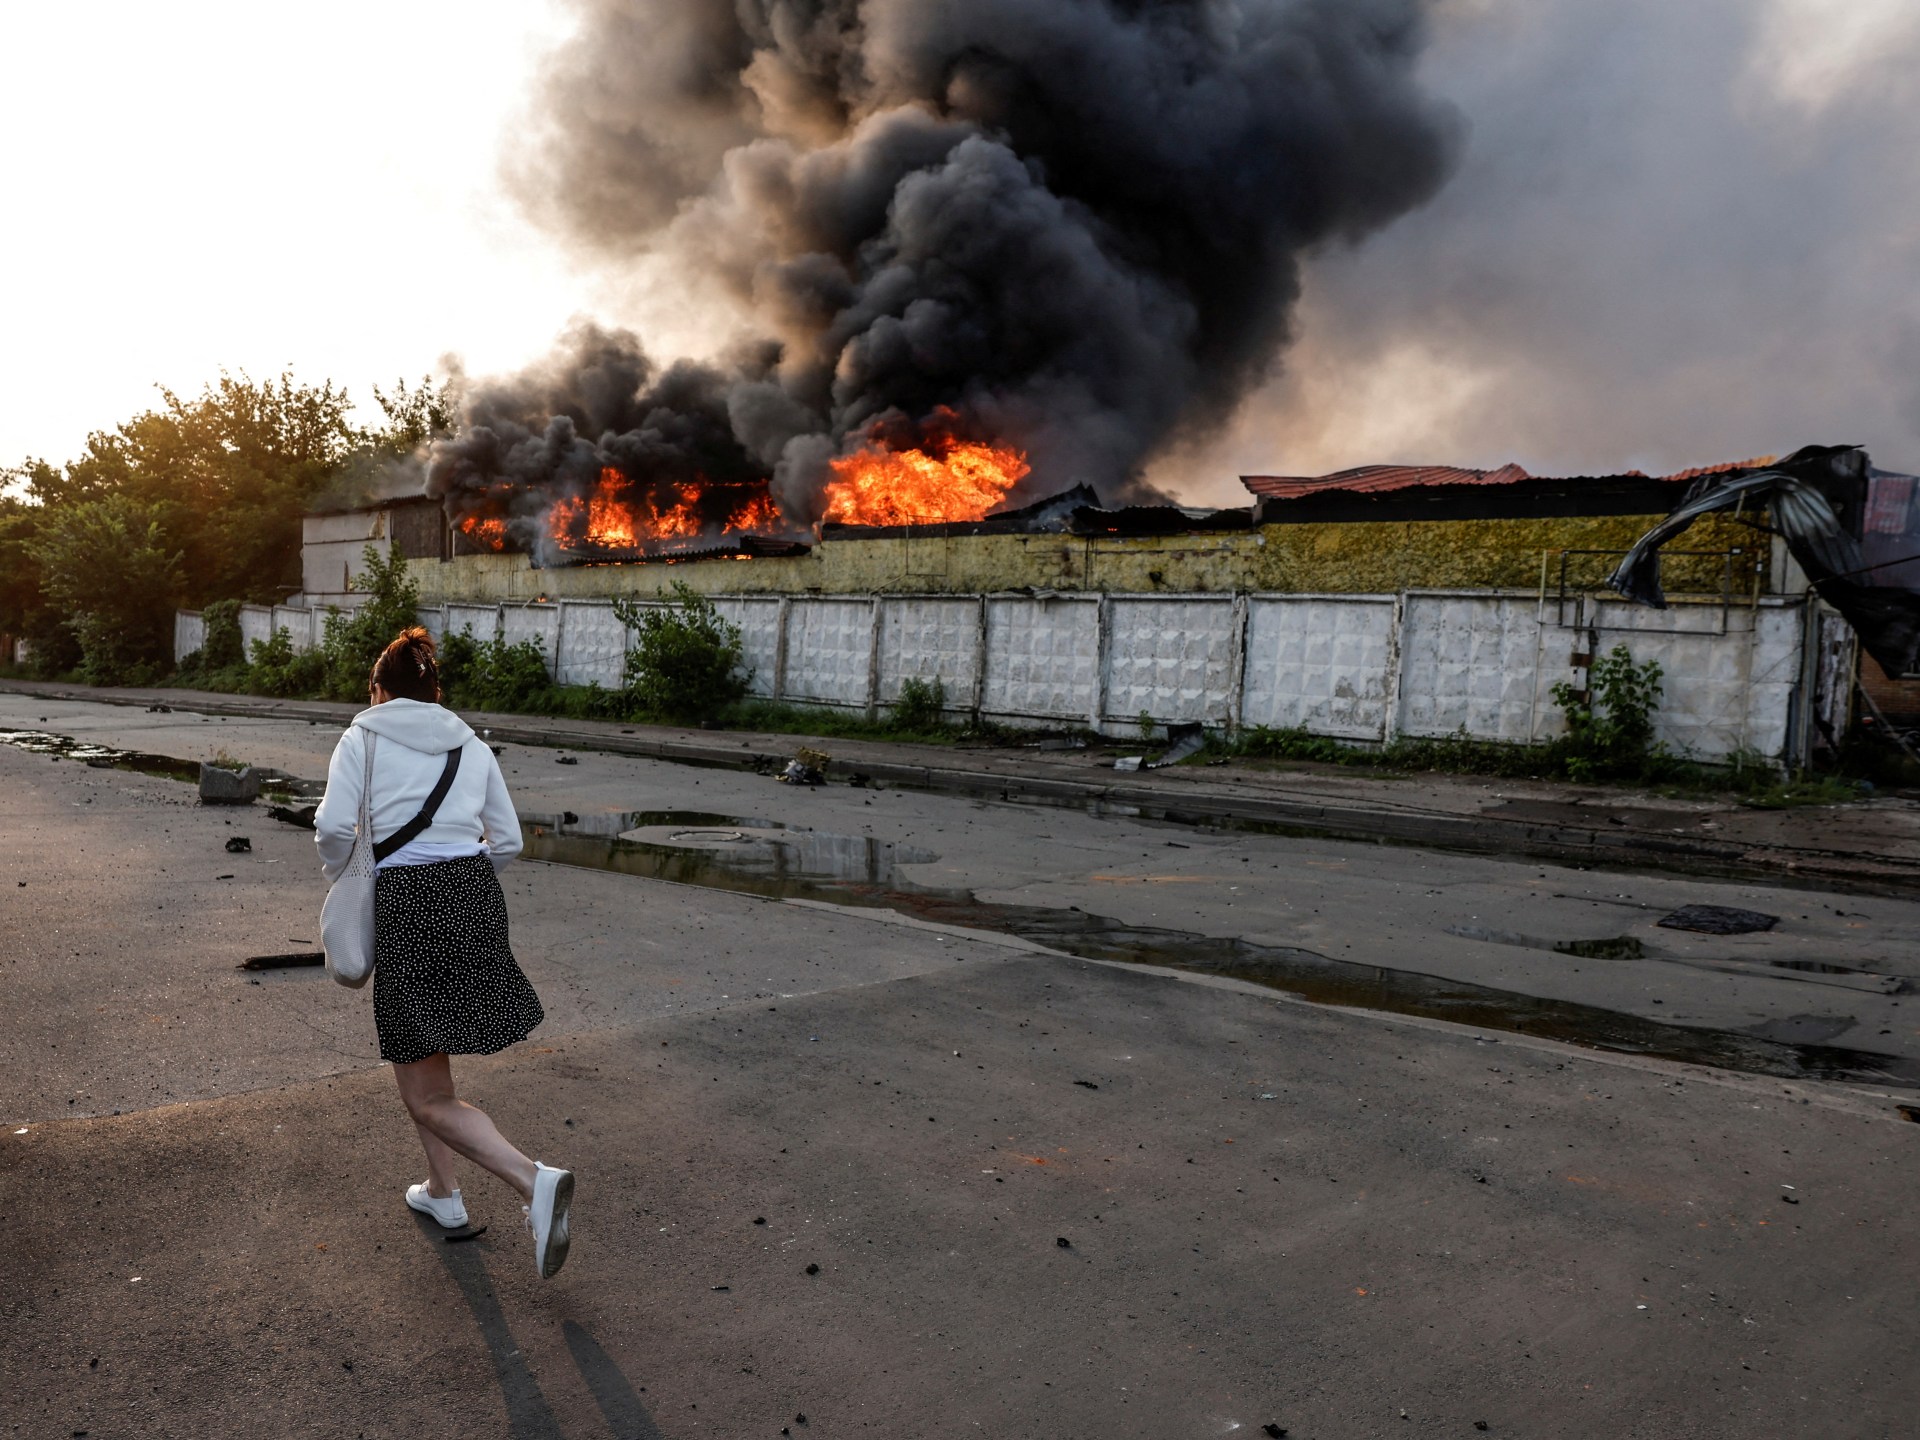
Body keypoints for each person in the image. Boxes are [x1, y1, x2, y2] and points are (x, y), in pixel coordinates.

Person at [314, 626, 574, 1278]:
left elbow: (332, 827)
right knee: (426, 1060)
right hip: (474, 896)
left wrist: (347, 873)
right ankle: (442, 1192)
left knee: (426, 1091)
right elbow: (507, 841)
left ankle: (533, 1180)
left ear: (379, 690)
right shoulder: (471, 743)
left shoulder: (362, 737)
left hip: (409, 903)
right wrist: (459, 875)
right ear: (434, 693)